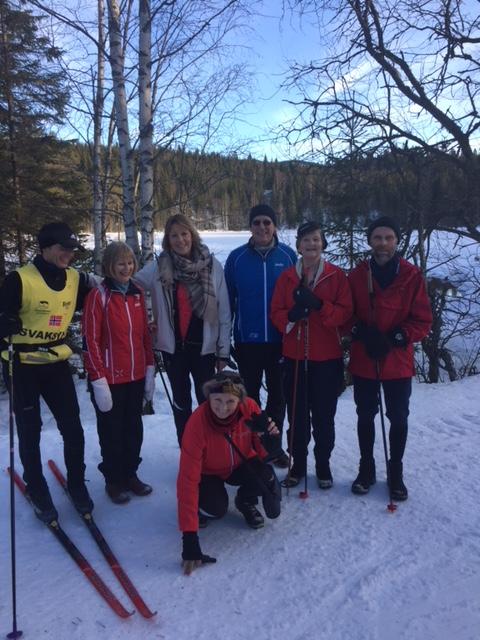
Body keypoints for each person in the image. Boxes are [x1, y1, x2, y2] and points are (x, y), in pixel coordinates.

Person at [0, 222, 95, 522]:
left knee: (73, 427)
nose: (68, 254)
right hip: (22, 364)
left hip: (55, 362)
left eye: (71, 249)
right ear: (45, 248)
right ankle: (36, 487)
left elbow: (106, 296)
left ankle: (77, 484)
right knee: (31, 430)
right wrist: (4, 323)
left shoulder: (76, 279)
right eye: (62, 248)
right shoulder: (19, 279)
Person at [346, 216, 432, 501]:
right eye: (377, 238)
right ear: (369, 241)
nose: (382, 243)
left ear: (396, 241)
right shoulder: (357, 275)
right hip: (365, 358)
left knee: (398, 417)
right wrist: (360, 331)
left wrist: (398, 336)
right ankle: (366, 468)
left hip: (396, 361)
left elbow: (423, 321)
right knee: (365, 415)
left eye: (388, 238)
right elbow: (346, 315)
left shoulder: (411, 275)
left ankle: (396, 472)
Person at [135, 214, 231, 445]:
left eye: (184, 234)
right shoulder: (159, 267)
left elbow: (224, 311)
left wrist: (223, 351)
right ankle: (188, 450)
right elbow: (131, 284)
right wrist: (145, 316)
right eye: (174, 236)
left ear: (192, 235)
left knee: (208, 404)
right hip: (174, 350)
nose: (180, 240)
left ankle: (211, 452)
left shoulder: (212, 265)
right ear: (168, 240)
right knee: (181, 404)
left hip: (205, 350)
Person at [271, 221, 353, 489]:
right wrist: (293, 315)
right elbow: (276, 314)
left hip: (326, 358)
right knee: (296, 415)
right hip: (295, 356)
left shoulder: (336, 276)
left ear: (323, 244)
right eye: (306, 240)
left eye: (316, 240)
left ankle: (323, 464)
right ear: (299, 245)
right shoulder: (286, 277)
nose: (311, 245)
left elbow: (345, 315)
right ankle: (298, 466)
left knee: (323, 415)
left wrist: (319, 306)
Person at [177, 371, 282, 575]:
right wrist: (189, 538)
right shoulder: (196, 424)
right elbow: (187, 480)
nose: (223, 408)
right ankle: (200, 509)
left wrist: (270, 441)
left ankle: (245, 501)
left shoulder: (249, 408)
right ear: (208, 398)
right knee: (216, 509)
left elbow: (262, 453)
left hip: (240, 463)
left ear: (239, 400)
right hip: (208, 472)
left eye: (230, 401)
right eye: (217, 400)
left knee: (264, 476)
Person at [82, 242, 155, 504]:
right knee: (111, 431)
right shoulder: (98, 296)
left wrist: (149, 369)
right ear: (109, 266)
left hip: (135, 375)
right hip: (109, 379)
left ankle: (130, 474)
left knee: (133, 428)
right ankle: (114, 479)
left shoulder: (137, 292)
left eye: (130, 263)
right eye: (120, 263)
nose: (127, 268)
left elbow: (145, 335)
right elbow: (90, 340)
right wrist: (97, 378)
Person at [224, 204, 297, 468]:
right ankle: (251, 449)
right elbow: (227, 302)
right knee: (249, 399)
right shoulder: (237, 258)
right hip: (247, 341)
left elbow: (297, 301)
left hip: (281, 342)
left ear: (275, 225)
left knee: (278, 397)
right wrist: (225, 340)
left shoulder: (289, 257)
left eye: (267, 222)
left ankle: (273, 448)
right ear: (250, 226)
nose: (262, 227)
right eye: (257, 222)